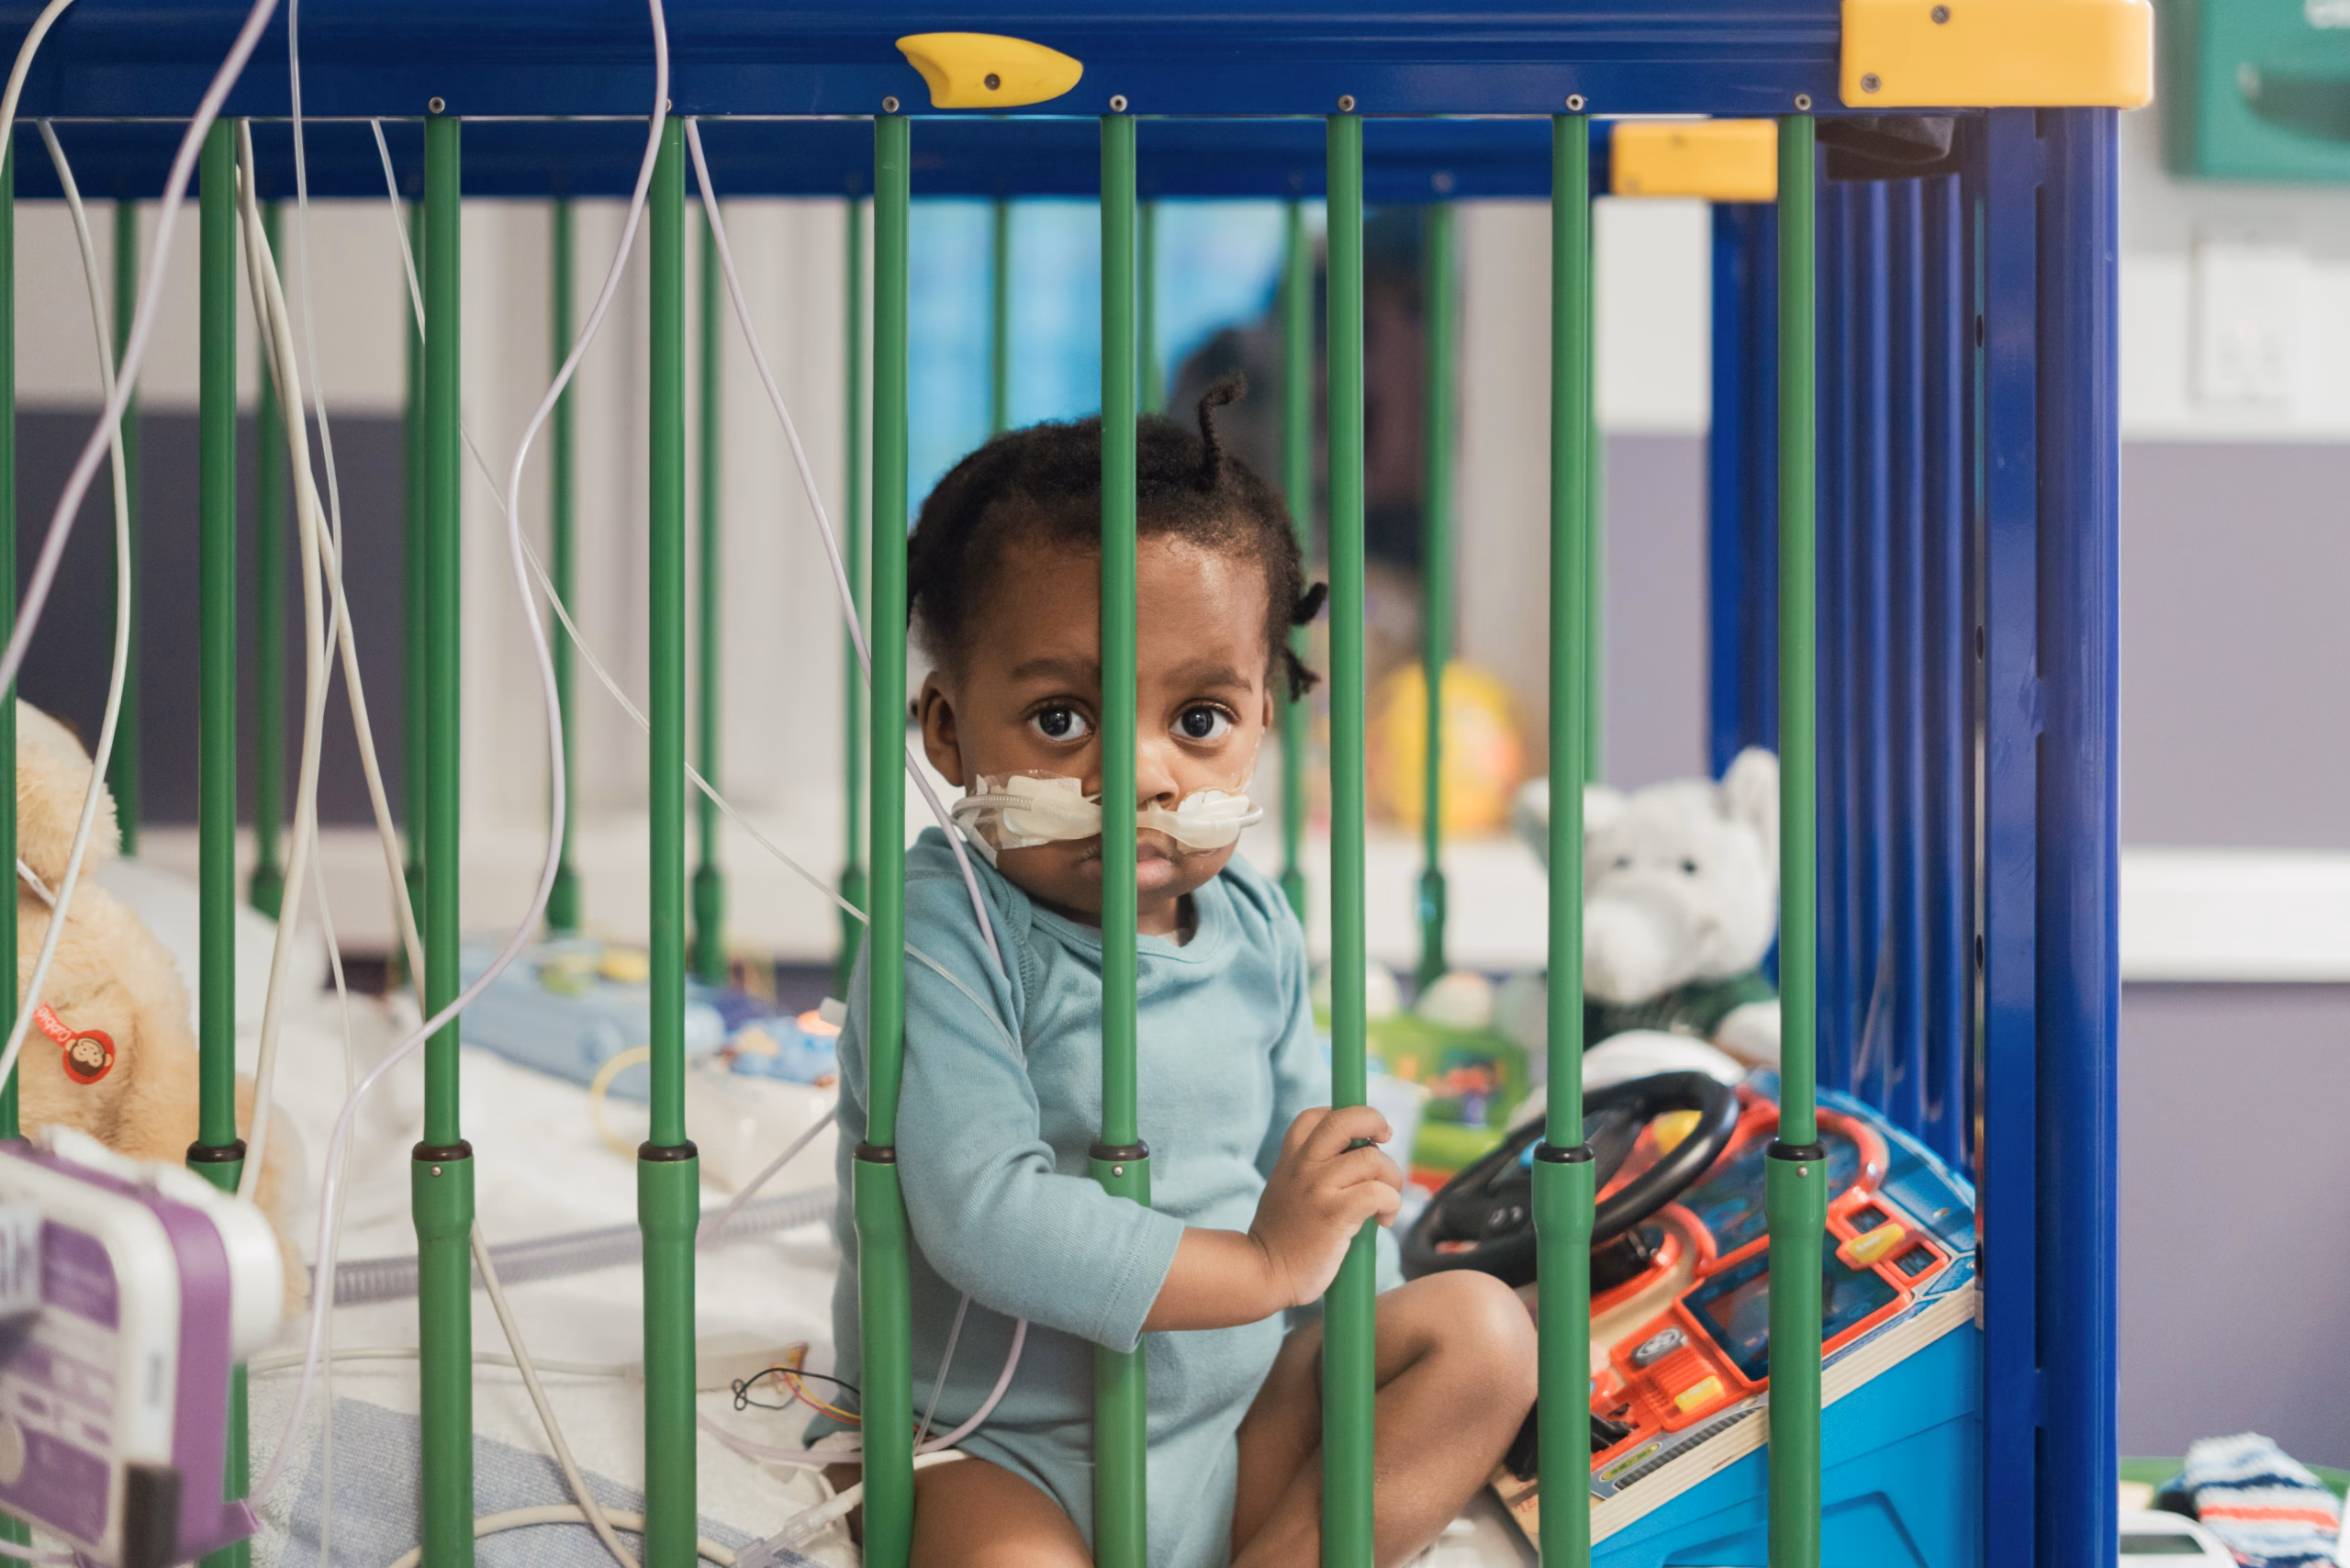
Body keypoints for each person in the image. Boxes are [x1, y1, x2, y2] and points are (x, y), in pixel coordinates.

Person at [822, 378, 1537, 1568]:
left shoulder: (1255, 926)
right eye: (1060, 720)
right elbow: (979, 1213)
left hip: (1226, 1418)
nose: (1140, 775)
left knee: (1486, 1335)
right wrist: (1262, 1265)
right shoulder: (939, 929)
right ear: (946, 732)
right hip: (989, 1446)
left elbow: (1303, 1163)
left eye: (1199, 719)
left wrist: (1372, 1224)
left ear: (1265, 717)